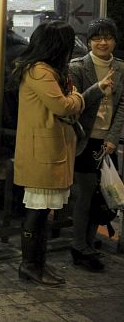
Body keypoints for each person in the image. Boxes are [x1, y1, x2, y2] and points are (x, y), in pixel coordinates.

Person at [13, 20, 85, 286]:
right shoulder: (40, 72)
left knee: (42, 212)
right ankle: (30, 265)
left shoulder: (45, 70)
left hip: (49, 149)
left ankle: (38, 263)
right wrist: (80, 96)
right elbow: (64, 106)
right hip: (41, 152)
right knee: (38, 211)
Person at [68, 18, 124, 272]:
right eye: (97, 38)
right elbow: (75, 104)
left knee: (102, 194)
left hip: (107, 142)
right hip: (84, 139)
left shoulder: (121, 67)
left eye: (108, 37)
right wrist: (99, 88)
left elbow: (122, 106)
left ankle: (88, 244)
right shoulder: (78, 67)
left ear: (115, 40)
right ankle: (79, 244)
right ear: (89, 41)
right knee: (85, 193)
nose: (103, 42)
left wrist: (112, 138)